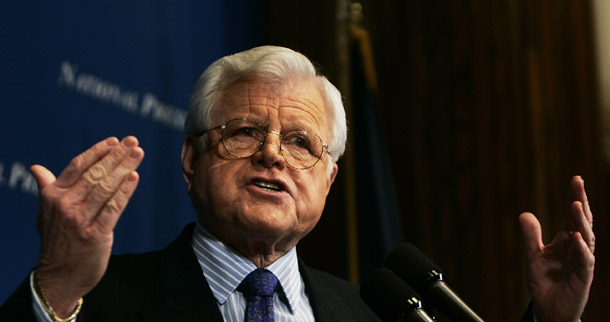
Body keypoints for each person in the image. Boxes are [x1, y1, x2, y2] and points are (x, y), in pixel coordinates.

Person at [0, 46, 595, 322]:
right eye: (243, 132)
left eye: (302, 143)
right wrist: (54, 287)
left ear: (329, 180)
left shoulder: (375, 314)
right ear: (190, 160)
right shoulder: (94, 301)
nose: (272, 156)